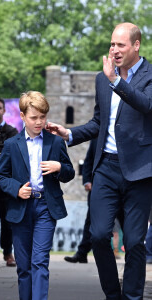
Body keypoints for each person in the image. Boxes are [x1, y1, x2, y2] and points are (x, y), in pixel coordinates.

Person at [46, 23, 152, 299]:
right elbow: (98, 122)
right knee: (99, 235)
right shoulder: (101, 78)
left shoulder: (149, 75)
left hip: (140, 171)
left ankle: (132, 297)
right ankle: (113, 295)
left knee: (133, 242)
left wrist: (117, 82)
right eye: (112, 45)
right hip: (105, 168)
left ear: (136, 45)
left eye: (121, 45)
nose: (114, 50)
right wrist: (69, 133)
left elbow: (146, 105)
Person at [0, 91, 75, 300]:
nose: (39, 122)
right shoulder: (12, 145)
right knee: (24, 266)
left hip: (46, 207)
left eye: (42, 117)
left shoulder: (55, 142)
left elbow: (69, 172)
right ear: (22, 116)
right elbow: (1, 176)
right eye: (34, 118)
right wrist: (17, 189)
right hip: (20, 208)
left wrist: (59, 167)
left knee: (39, 261)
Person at [0, 97, 18, 267]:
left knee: (7, 221)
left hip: (5, 182)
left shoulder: (11, 132)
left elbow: (12, 155)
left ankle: (8, 253)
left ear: (4, 111)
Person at [64, 138, 97, 264]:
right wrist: (87, 181)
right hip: (99, 190)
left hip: (126, 190)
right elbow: (89, 161)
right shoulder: (97, 138)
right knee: (91, 222)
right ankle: (82, 253)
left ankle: (134, 256)